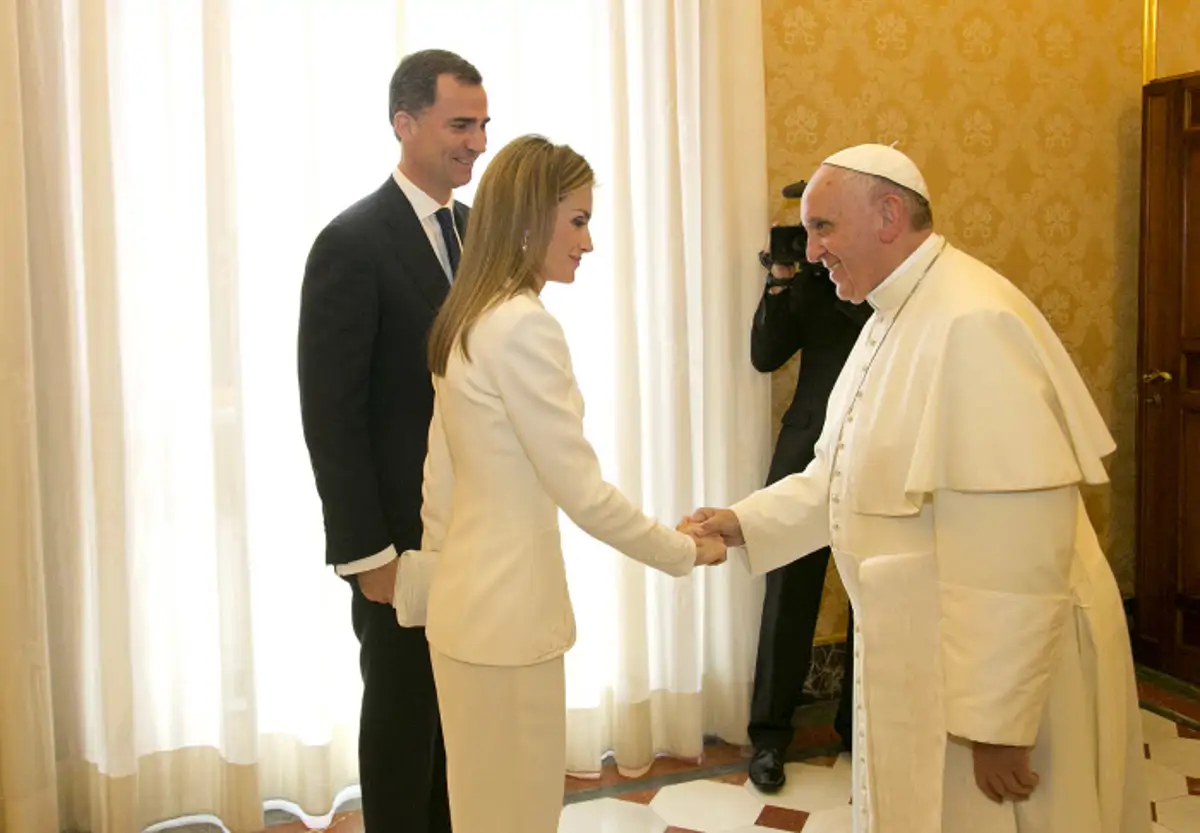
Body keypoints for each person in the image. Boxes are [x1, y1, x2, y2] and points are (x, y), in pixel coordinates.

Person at [686, 144, 1148, 833]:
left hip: (999, 673)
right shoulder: (891, 315)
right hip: (926, 650)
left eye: (823, 227)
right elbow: (842, 475)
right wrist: (743, 520)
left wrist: (999, 721)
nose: (811, 252)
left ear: (889, 215)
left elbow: (1021, 542)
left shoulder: (972, 322)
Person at [390, 134, 726, 833]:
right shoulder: (522, 328)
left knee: (482, 809)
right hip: (511, 623)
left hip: (462, 615)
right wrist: (684, 549)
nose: (589, 242)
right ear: (527, 220)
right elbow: (583, 490)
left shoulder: (468, 318)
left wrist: (431, 586)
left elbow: (438, 480)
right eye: (577, 220)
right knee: (519, 816)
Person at [297, 49, 488, 833]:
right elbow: (329, 412)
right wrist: (366, 549)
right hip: (397, 542)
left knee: (462, 717)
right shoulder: (351, 243)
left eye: (482, 123)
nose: (476, 141)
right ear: (404, 124)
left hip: (478, 528)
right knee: (405, 717)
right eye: (459, 123)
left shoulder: (481, 234)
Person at [747, 209, 870, 792]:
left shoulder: (890, 286)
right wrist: (781, 279)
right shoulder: (808, 286)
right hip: (804, 456)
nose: (818, 241)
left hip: (878, 456)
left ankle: (858, 727)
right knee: (787, 598)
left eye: (826, 227)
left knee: (871, 595)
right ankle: (769, 738)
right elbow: (765, 355)